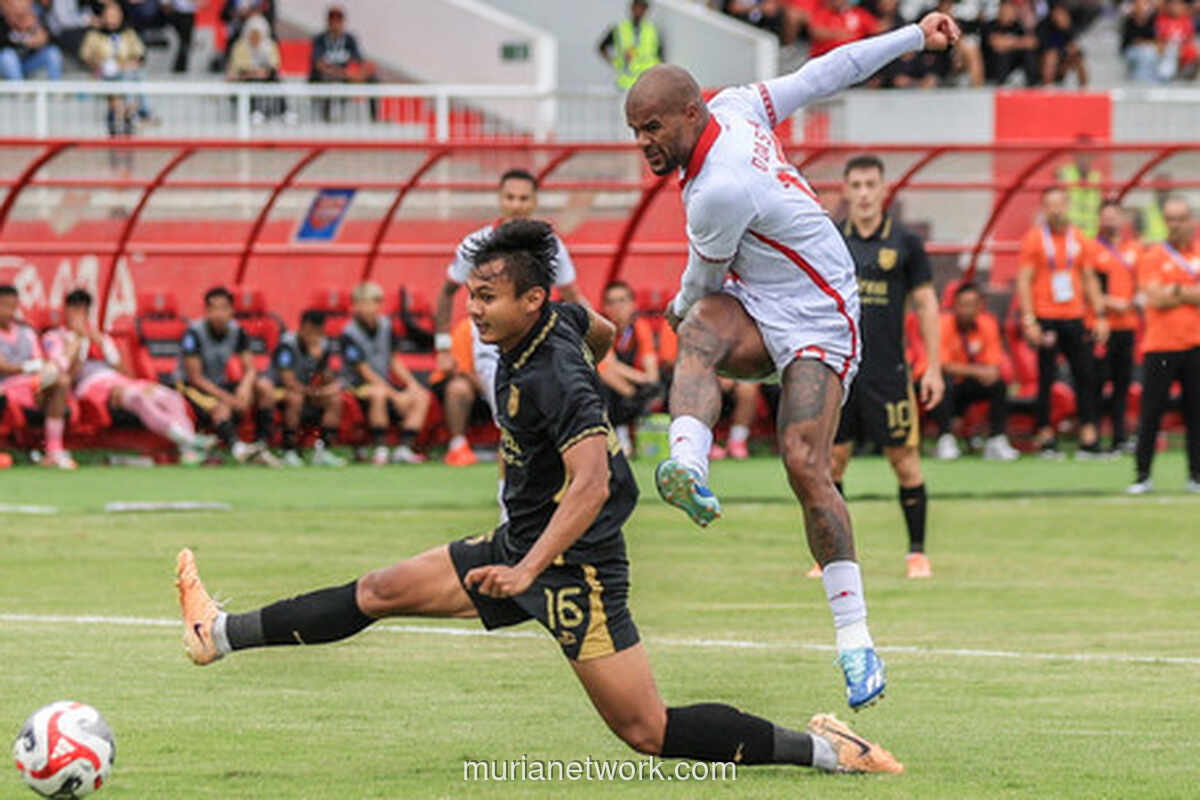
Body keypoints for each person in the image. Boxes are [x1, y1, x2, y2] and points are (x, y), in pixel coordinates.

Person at [175, 219, 904, 777]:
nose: (474, 311)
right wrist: (521, 553)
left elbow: (592, 483)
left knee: (648, 731)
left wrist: (528, 570)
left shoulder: (556, 378)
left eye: (487, 298)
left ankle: (831, 751)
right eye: (471, 295)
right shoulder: (560, 322)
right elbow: (604, 332)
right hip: (519, 548)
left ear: (531, 299)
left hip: (575, 573)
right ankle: (220, 634)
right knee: (378, 591)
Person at [625, 12, 960, 708]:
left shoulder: (718, 187)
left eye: (652, 128)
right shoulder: (736, 106)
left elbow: (700, 284)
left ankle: (855, 640)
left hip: (821, 314)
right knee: (701, 332)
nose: (644, 144)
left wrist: (676, 309)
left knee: (805, 463)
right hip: (759, 300)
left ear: (691, 113)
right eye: (635, 131)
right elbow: (825, 72)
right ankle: (687, 467)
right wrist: (913, 36)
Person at [828, 155, 945, 581]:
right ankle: (831, 557)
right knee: (832, 463)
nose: (863, 193)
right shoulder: (829, 239)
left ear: (883, 190)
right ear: (846, 190)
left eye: (870, 185)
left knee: (905, 460)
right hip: (841, 372)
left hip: (889, 373)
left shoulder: (906, 243)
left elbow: (926, 304)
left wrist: (933, 367)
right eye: (856, 185)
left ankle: (917, 553)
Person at [435, 168, 584, 466]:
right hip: (492, 345)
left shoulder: (550, 245)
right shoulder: (478, 242)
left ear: (534, 201)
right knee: (513, 422)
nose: (516, 205)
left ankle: (538, 489)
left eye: (524, 198)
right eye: (510, 197)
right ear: (500, 199)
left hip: (541, 343)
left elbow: (572, 297)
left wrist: (589, 336)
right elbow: (447, 292)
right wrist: (442, 346)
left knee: (543, 423)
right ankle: (510, 494)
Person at [44, 289, 214, 464]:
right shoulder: (55, 337)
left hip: (119, 381)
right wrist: (80, 343)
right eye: (75, 310)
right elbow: (65, 376)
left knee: (171, 397)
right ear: (66, 311)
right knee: (138, 399)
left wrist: (103, 346)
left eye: (84, 311)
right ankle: (190, 440)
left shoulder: (101, 338)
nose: (80, 316)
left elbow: (124, 373)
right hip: (90, 387)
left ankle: (188, 450)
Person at [1016, 187, 1108, 459]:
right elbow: (1024, 280)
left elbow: (1089, 278)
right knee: (1046, 378)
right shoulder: (1034, 239)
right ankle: (1045, 434)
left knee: (1085, 375)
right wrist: (1029, 319)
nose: (1056, 210)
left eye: (1060, 204)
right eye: (1050, 205)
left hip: (1075, 316)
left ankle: (1088, 434)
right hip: (1045, 316)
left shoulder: (1079, 239)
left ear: (1067, 206)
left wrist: (1099, 315)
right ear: (1043, 208)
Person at [1127, 196, 1200, 495]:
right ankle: (1142, 476)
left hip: (1195, 343)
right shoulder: (1152, 256)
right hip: (1161, 346)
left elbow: (1168, 294)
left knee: (1196, 413)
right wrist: (1188, 292)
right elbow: (1154, 297)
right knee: (1151, 413)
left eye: (1180, 219)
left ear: (1191, 221)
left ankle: (1196, 476)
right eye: (1170, 219)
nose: (1175, 225)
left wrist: (1175, 290)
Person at [176, 286, 278, 465]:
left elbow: (250, 369)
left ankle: (261, 446)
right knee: (221, 407)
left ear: (231, 311)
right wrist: (230, 399)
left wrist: (245, 388)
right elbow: (195, 378)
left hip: (217, 384)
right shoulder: (193, 334)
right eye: (213, 309)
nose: (218, 314)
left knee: (265, 387)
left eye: (223, 308)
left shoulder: (237, 331)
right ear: (206, 311)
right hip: (190, 388)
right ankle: (237, 448)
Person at [339, 281, 431, 466]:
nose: (373, 308)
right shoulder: (348, 333)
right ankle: (380, 448)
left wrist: (412, 385)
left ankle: (404, 448)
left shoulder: (386, 325)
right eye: (368, 303)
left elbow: (394, 360)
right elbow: (364, 372)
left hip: (383, 382)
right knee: (378, 393)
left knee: (422, 395)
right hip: (355, 387)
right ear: (357, 305)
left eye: (376, 303)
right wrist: (396, 396)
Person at [931, 282, 1020, 461]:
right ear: (954, 305)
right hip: (950, 383)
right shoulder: (942, 324)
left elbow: (992, 365)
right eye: (963, 305)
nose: (967, 310)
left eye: (972, 305)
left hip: (970, 383)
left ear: (980, 306)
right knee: (941, 383)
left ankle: (996, 440)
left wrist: (985, 373)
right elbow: (943, 365)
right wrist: (978, 372)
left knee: (998, 385)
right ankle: (945, 440)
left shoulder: (988, 323)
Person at [258, 309, 346, 468]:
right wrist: (314, 392)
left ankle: (323, 451)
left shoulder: (323, 345)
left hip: (307, 390)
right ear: (304, 327)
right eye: (314, 331)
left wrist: (321, 364)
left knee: (335, 399)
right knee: (295, 398)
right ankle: (289, 451)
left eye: (320, 331)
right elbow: (288, 381)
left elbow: (327, 377)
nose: (317, 336)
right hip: (280, 391)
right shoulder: (286, 344)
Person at [0, 284, 74, 468]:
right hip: (7, 387)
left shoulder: (27, 332)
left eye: (13, 306)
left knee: (62, 381)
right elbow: (4, 367)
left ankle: (53, 450)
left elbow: (40, 361)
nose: (9, 311)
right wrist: (30, 367)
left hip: (32, 385)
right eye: (4, 306)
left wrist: (43, 369)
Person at [1089, 200, 1141, 454]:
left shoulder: (1134, 249)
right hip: (1102, 327)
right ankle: (1094, 437)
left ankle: (1119, 437)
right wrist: (1111, 303)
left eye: (1114, 216)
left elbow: (1142, 283)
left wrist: (1135, 300)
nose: (1110, 221)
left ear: (1122, 219)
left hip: (1127, 326)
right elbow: (1088, 288)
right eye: (1105, 216)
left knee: (1122, 383)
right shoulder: (1092, 249)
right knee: (1098, 382)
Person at [597, 280, 661, 457]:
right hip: (614, 387)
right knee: (604, 375)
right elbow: (608, 364)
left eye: (622, 301)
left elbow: (651, 367)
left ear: (633, 304)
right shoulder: (602, 329)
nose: (617, 307)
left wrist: (648, 381)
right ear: (605, 307)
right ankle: (620, 432)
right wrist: (637, 388)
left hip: (634, 382)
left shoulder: (640, 327)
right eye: (612, 302)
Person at [79, 1, 151, 136]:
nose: (112, 18)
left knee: (134, 74)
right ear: (103, 16)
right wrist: (100, 64)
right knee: (129, 77)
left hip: (125, 73)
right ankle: (138, 112)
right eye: (109, 15)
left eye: (115, 15)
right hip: (103, 75)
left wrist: (126, 65)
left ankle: (132, 112)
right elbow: (85, 56)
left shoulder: (128, 33)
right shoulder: (94, 35)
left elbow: (140, 55)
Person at [429, 317, 493, 467]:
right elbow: (463, 369)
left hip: (500, 385)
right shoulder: (467, 329)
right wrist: (489, 391)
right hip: (475, 387)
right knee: (459, 388)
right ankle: (458, 445)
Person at [308, 4, 378, 121]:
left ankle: (374, 118)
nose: (335, 24)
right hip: (326, 76)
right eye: (333, 20)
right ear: (328, 22)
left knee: (373, 79)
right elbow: (319, 65)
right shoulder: (320, 39)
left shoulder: (349, 39)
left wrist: (360, 74)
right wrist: (343, 73)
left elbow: (361, 61)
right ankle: (327, 118)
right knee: (328, 79)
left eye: (338, 21)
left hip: (344, 77)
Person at [224, 13, 285, 123]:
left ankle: (283, 112)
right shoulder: (240, 45)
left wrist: (262, 72)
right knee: (251, 81)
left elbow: (274, 66)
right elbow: (239, 68)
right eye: (253, 33)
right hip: (243, 80)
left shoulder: (270, 46)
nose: (255, 37)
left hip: (265, 78)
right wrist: (256, 72)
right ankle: (254, 112)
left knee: (276, 81)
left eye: (258, 34)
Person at [597, 0, 663, 91]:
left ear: (646, 10)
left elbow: (660, 55)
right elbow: (601, 47)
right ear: (632, 8)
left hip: (648, 81)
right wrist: (615, 62)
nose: (639, 11)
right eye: (637, 7)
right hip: (626, 82)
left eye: (642, 8)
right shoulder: (619, 28)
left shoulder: (652, 29)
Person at [0, 0, 63, 80]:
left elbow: (54, 38)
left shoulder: (36, 16)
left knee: (53, 53)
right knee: (7, 56)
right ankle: (19, 88)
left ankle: (55, 86)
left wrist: (41, 35)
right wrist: (24, 41)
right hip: (7, 64)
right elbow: (3, 45)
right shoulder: (3, 19)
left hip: (28, 62)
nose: (21, 5)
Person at [981, 0, 1039, 86]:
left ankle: (1032, 83)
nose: (1009, 12)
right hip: (992, 66)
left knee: (1028, 53)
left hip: (1014, 65)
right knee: (1003, 54)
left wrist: (1009, 43)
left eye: (1011, 10)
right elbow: (996, 43)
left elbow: (1032, 43)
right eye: (1006, 9)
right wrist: (1019, 42)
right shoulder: (990, 25)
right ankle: (1001, 82)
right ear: (1000, 10)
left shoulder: (1018, 26)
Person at [1057, 140, 1101, 238]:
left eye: (1088, 155)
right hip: (1069, 236)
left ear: (1093, 156)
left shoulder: (1097, 177)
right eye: (1081, 154)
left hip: (1091, 236)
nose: (1084, 159)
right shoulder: (1064, 174)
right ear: (1075, 156)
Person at [1036, 2, 1086, 87]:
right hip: (1044, 59)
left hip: (1062, 58)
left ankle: (1084, 87)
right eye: (1058, 13)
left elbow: (1072, 44)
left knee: (1077, 56)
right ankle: (1047, 86)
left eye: (1063, 13)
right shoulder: (1044, 26)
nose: (1061, 16)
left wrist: (1066, 28)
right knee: (1051, 56)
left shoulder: (1069, 27)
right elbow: (1044, 47)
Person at [1120, 0, 1159, 83]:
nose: (1141, 8)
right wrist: (1142, 42)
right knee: (1144, 53)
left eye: (1143, 5)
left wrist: (1145, 42)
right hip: (1131, 50)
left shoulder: (1152, 20)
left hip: (1147, 49)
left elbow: (1154, 39)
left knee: (1149, 52)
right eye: (1138, 5)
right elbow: (1131, 40)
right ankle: (1140, 80)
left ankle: (1146, 79)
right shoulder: (1129, 21)